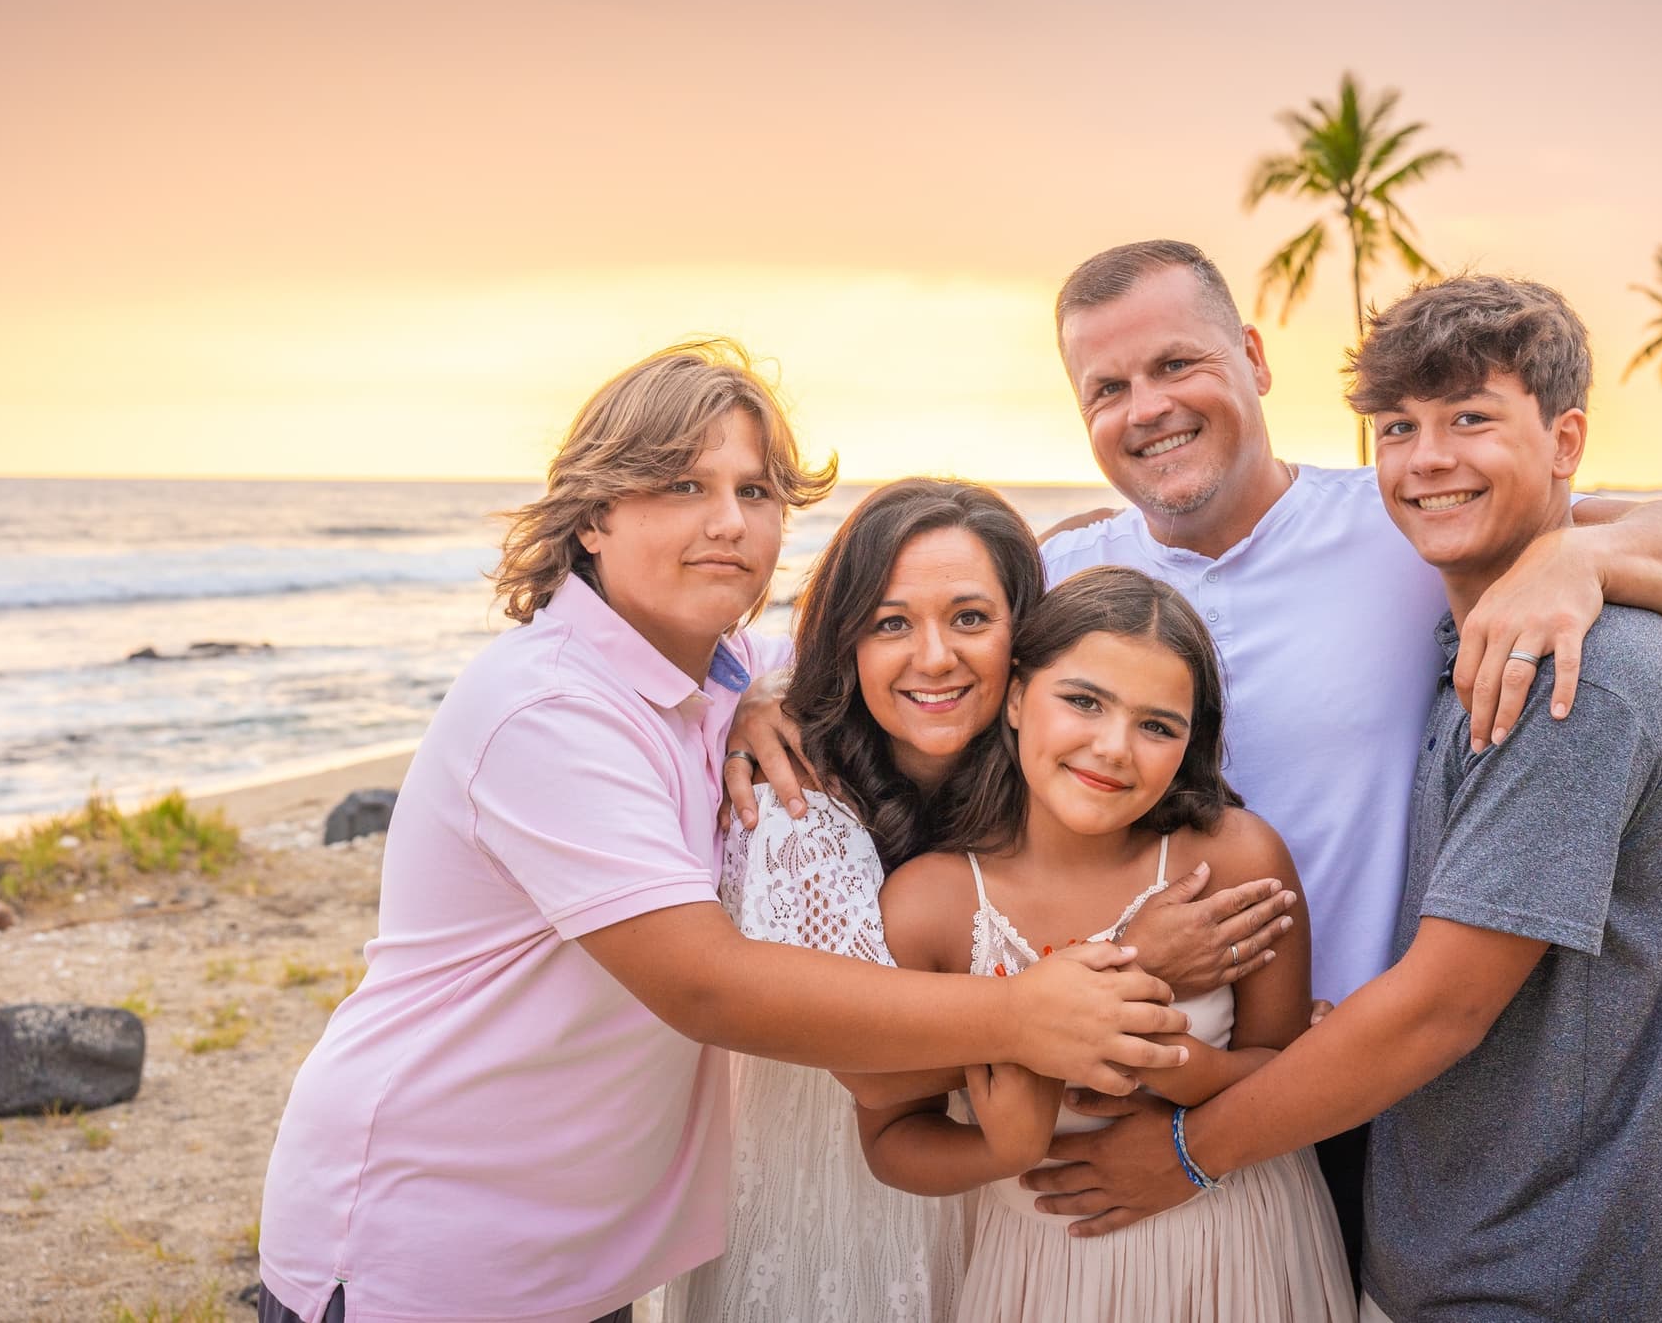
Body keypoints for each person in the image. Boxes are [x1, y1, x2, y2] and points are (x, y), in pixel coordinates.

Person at [254, 343, 1192, 1323]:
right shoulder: (544, 706)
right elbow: (705, 982)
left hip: (585, 1252)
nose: (727, 522)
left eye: (754, 490)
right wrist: (1022, 1013)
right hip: (432, 1237)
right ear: (591, 515)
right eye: (680, 483)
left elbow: (887, 656)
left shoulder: (725, 669)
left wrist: (760, 699)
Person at [1013, 239, 1662, 1265]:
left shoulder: (1403, 521)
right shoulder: (1058, 579)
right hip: (1134, 1075)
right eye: (1107, 386)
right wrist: (761, 713)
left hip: (1367, 1090)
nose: (1145, 407)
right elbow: (904, 688)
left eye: (1176, 364)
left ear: (1254, 360)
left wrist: (1573, 552)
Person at [661, 478, 1296, 1322]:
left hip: (1029, 1224)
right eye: (890, 623)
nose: (934, 657)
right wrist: (1133, 964)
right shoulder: (801, 802)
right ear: (846, 640)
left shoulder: (1041, 786)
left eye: (970, 619)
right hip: (855, 1195)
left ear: (1022, 649)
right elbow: (869, 1073)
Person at [862, 567, 1354, 1323]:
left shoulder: (1233, 862)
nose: (1114, 747)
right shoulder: (931, 903)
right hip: (1044, 1268)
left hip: (1240, 1245)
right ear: (1019, 696)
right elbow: (893, 1136)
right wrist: (1007, 1151)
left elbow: (1285, 1069)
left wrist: (1184, 1065)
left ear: (1192, 742)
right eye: (1084, 702)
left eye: (1158, 726)